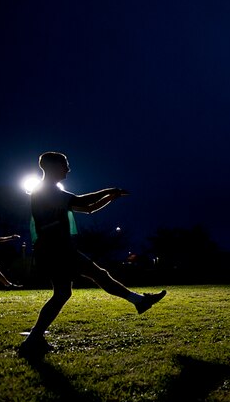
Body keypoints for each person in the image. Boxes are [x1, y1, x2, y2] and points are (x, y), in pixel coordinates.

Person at [18, 152, 166, 357]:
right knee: (97, 276)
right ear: (53, 168)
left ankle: (33, 340)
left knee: (64, 292)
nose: (68, 169)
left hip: (54, 249)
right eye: (65, 165)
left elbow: (89, 209)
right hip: (56, 249)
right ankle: (139, 301)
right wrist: (108, 190)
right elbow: (83, 201)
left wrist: (110, 198)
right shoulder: (46, 191)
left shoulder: (51, 192)